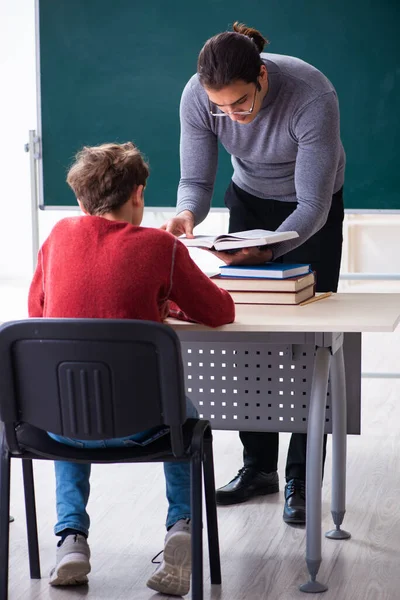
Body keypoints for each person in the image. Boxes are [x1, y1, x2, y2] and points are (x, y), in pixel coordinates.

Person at [28, 142, 235, 596]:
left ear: (81, 201)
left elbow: (37, 313)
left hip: (61, 428)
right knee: (186, 415)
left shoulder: (57, 239)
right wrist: (167, 301)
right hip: (148, 425)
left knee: (70, 400)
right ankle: (181, 525)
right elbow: (220, 311)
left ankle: (71, 541)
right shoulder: (163, 247)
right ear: (138, 194)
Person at [162, 22, 345, 524]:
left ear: (261, 77)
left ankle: (302, 479)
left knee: (312, 341)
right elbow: (196, 180)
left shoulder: (312, 96)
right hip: (248, 203)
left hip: (312, 210)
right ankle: (258, 468)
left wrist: (269, 253)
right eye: (219, 108)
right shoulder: (199, 97)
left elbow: (312, 203)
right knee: (250, 339)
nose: (232, 118)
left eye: (240, 104)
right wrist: (185, 215)